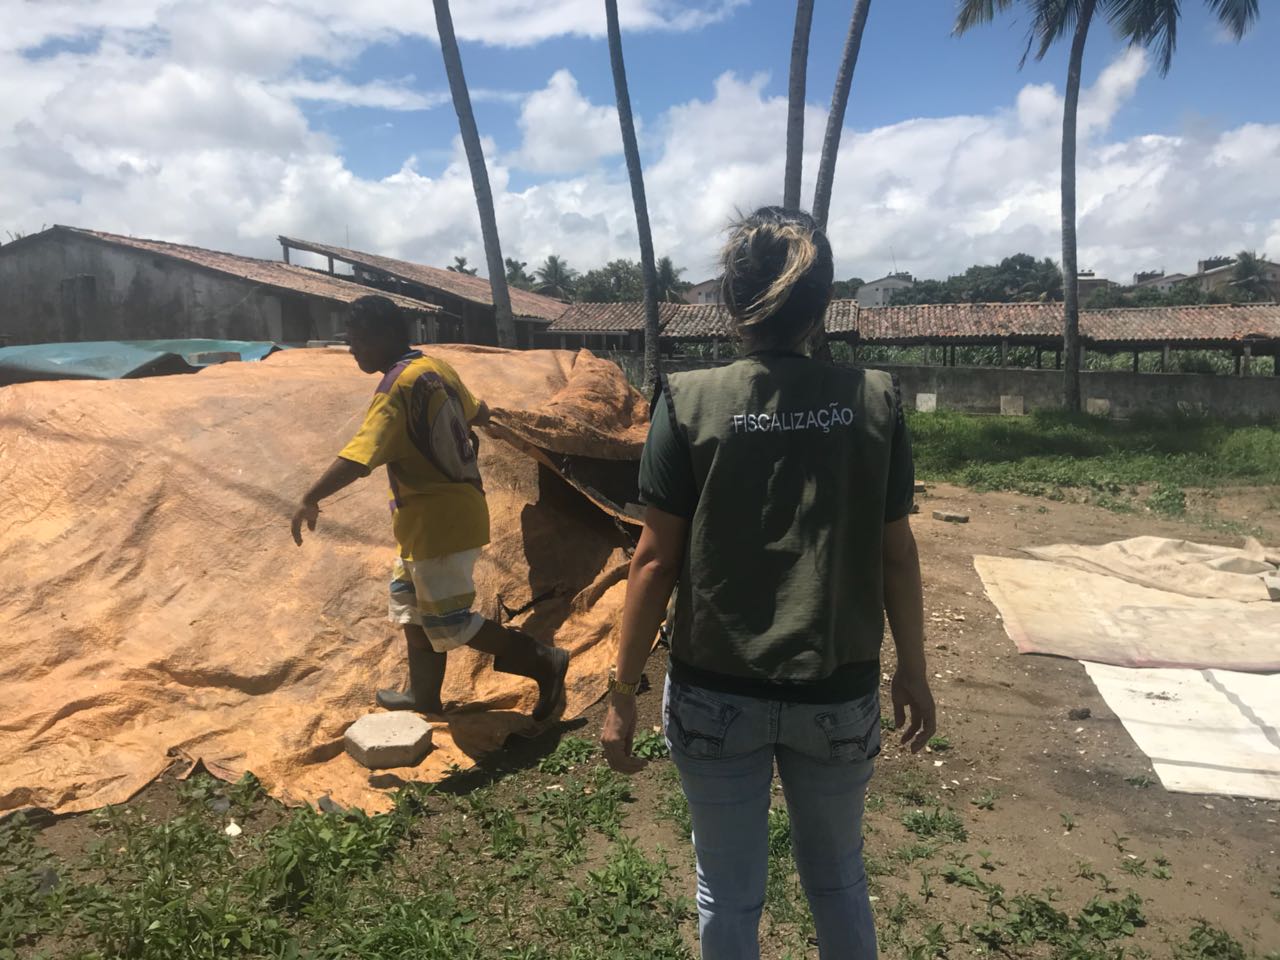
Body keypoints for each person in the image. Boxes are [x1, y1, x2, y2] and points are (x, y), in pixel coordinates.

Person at [600, 208, 936, 959]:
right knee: (839, 880)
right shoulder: (874, 399)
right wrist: (912, 670)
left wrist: (621, 692)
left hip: (714, 693)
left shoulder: (687, 400)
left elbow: (653, 561)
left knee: (726, 891)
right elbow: (897, 554)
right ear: (825, 304)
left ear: (730, 300)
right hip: (837, 692)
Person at [291, 295, 568, 723]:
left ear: (386, 336)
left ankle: (544, 660)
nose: (352, 349)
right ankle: (423, 697)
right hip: (429, 523)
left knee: (449, 622)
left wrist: (310, 497)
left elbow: (359, 457)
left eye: (359, 340)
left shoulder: (397, 389)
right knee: (411, 609)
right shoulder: (435, 368)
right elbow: (477, 411)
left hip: (441, 523)